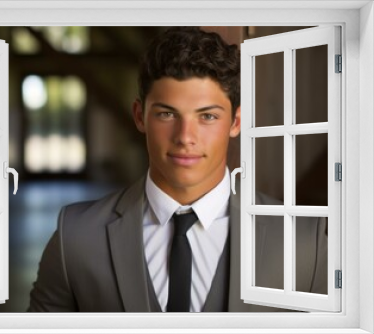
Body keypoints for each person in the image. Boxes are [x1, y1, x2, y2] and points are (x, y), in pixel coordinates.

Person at [28, 27, 327, 312]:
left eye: (207, 116)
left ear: (236, 122)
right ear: (140, 116)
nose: (185, 136)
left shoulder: (303, 241)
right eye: (167, 114)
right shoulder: (76, 236)